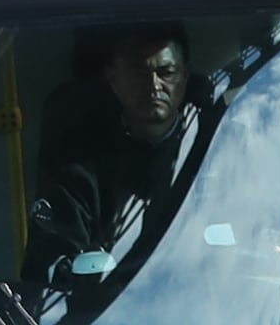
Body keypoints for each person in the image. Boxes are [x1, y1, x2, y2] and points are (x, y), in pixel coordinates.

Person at [20, 29, 197, 291]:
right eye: (139, 73)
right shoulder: (79, 160)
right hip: (110, 313)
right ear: (113, 80)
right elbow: (56, 257)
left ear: (184, 77)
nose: (154, 85)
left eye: (166, 73)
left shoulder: (217, 140)